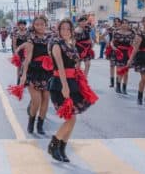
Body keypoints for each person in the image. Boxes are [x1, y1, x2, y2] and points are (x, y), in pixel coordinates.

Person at [47, 19, 98, 162]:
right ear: (58, 30)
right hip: (60, 84)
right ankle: (53, 145)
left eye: (68, 29)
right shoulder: (56, 44)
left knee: (73, 119)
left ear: (71, 31)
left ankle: (61, 148)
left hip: (72, 82)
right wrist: (65, 86)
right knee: (70, 119)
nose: (65, 31)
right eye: (62, 29)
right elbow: (60, 67)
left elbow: (75, 64)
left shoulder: (70, 44)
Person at [19, 16, 53, 135]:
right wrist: (23, 75)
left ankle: (40, 125)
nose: (39, 27)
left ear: (45, 25)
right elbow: (27, 59)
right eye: (37, 24)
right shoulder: (31, 39)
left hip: (47, 72)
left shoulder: (51, 38)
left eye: (42, 24)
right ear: (33, 25)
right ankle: (31, 122)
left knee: (46, 99)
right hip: (33, 72)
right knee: (36, 101)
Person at [111, 19, 134, 94]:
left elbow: (133, 43)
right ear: (121, 24)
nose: (125, 25)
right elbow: (112, 42)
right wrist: (113, 47)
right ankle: (118, 86)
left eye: (126, 23)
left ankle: (124, 88)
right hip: (119, 52)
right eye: (123, 23)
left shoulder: (131, 33)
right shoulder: (116, 33)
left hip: (127, 53)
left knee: (126, 72)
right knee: (120, 70)